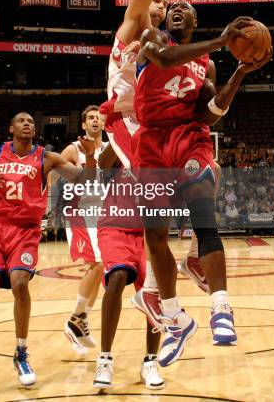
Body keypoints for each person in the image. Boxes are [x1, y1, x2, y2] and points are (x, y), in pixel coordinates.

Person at [133, 3, 272, 366]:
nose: (177, 9)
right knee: (155, 238)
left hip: (189, 137)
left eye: (186, 9)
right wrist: (222, 40)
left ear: (195, 22)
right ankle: (174, 317)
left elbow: (209, 112)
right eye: (173, 8)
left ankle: (221, 308)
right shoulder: (151, 38)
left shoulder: (206, 65)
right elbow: (163, 59)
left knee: (204, 219)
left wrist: (239, 73)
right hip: (151, 143)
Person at [99, 0, 211, 329]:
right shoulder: (131, 27)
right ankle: (160, 293)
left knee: (202, 167)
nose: (160, 8)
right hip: (125, 121)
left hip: (149, 122)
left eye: (165, 6)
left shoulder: (162, 47)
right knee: (164, 197)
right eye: (156, 2)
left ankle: (174, 273)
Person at [0, 112, 97, 398]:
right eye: (21, 120)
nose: (27, 124)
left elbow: (83, 179)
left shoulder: (47, 158)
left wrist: (92, 156)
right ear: (11, 128)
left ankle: (21, 353)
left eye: (31, 121)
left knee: (20, 283)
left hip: (25, 231)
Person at [93, 148, 164, 390]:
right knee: (118, 275)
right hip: (114, 228)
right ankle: (104, 359)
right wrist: (117, 127)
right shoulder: (119, 153)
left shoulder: (156, 155)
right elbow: (102, 162)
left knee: (155, 294)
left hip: (146, 233)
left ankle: (150, 362)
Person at [61, 105, 108, 356]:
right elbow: (55, 173)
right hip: (80, 212)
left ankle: (80, 319)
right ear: (83, 124)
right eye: (90, 117)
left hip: (104, 214)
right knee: (99, 263)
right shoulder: (73, 149)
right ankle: (76, 318)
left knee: (99, 267)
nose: (95, 121)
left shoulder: (111, 149)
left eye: (100, 118)